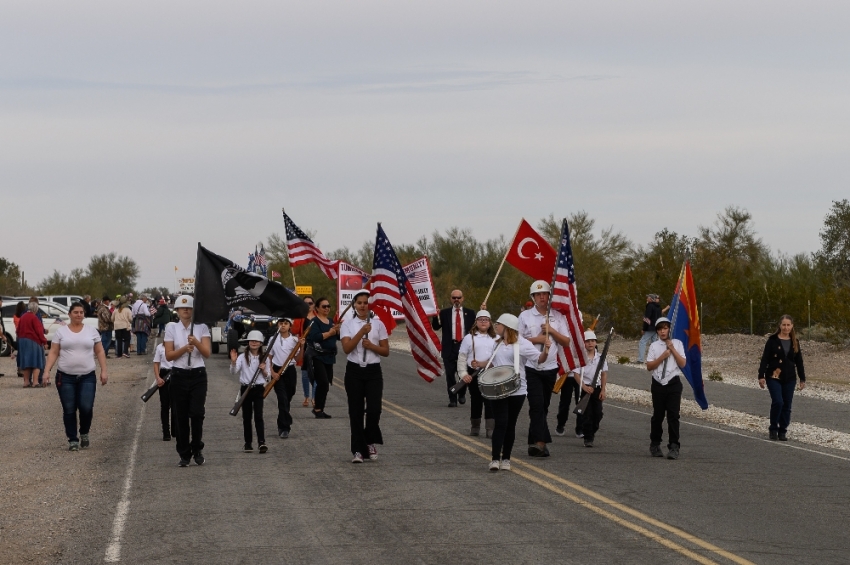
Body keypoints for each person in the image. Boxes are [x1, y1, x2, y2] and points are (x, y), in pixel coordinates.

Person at [487, 313, 550, 472]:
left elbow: (539, 359)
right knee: (500, 423)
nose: (496, 326)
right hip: (498, 388)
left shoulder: (523, 344)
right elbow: (491, 363)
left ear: (507, 327)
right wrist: (479, 365)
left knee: (510, 424)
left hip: (517, 389)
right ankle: (495, 459)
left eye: (498, 324)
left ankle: (506, 459)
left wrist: (546, 351)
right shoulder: (496, 343)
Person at [43, 302, 108, 451]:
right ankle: (73, 439)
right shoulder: (61, 332)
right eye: (76, 312)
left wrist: (104, 370)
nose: (79, 315)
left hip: (87, 376)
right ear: (69, 314)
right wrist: (47, 371)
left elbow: (99, 352)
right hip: (65, 377)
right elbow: (53, 352)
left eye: (81, 312)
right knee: (69, 409)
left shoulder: (92, 331)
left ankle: (84, 432)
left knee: (86, 407)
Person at [518, 280, 572, 457]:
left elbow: (566, 341)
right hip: (531, 367)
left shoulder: (557, 315)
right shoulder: (525, 316)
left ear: (550, 296)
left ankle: (534, 442)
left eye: (545, 294)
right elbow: (515, 340)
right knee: (536, 405)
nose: (542, 297)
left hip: (550, 368)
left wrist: (552, 331)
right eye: (538, 294)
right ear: (533, 297)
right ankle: (541, 443)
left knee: (544, 406)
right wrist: (537, 340)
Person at [340, 289, 390, 463]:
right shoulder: (347, 324)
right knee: (356, 411)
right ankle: (358, 450)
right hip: (354, 370)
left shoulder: (378, 324)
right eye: (359, 303)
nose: (362, 306)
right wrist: (361, 332)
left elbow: (385, 351)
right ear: (354, 305)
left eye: (365, 303)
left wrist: (372, 346)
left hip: (373, 371)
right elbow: (346, 348)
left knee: (374, 409)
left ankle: (369, 441)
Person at [164, 295, 212, 467]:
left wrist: (196, 343)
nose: (186, 310)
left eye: (189, 308)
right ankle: (184, 453)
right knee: (180, 415)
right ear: (176, 310)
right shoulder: (171, 329)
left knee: (197, 413)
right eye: (182, 308)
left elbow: (207, 353)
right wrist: (185, 348)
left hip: (198, 373)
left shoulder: (201, 327)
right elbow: (169, 355)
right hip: (179, 374)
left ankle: (197, 448)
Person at [758, 315, 806, 441]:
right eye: (784, 325)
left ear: (792, 326)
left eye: (788, 325)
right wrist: (761, 376)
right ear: (780, 325)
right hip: (773, 376)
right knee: (778, 402)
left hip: (789, 377)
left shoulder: (795, 342)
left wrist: (802, 378)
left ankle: (783, 430)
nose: (786, 327)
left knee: (787, 405)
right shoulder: (772, 340)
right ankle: (773, 428)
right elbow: (765, 359)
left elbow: (799, 362)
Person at [646, 316, 687, 460]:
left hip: (673, 382)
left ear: (669, 329)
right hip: (658, 383)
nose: (663, 332)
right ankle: (655, 444)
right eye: (660, 329)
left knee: (673, 416)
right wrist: (663, 356)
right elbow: (649, 366)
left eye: (665, 328)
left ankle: (674, 446)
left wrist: (672, 349)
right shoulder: (654, 346)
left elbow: (682, 363)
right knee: (658, 415)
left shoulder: (678, 343)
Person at [431, 289, 476, 407]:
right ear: (451, 299)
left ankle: (461, 393)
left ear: (462, 298)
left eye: (459, 297)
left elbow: (477, 327)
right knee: (450, 375)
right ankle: (452, 399)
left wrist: (483, 311)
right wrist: (435, 316)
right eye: (454, 297)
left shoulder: (470, 313)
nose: (456, 300)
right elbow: (436, 327)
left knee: (464, 373)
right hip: (450, 347)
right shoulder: (444, 313)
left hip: (464, 347)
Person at [456, 310, 497, 437]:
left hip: (491, 373)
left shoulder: (497, 338)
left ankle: (490, 428)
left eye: (486, 319)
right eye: (481, 320)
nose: (483, 322)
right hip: (473, 373)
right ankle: (475, 426)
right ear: (476, 322)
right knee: (476, 400)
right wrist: (463, 374)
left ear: (490, 323)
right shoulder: (469, 338)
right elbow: (462, 357)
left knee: (490, 400)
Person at [230, 330, 270, 453]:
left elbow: (268, 377)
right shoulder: (242, 357)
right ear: (248, 342)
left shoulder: (265, 358)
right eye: (251, 340)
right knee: (246, 417)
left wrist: (263, 370)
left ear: (261, 343)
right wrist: (233, 361)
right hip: (245, 388)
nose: (254, 343)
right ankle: (248, 443)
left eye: (256, 341)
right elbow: (233, 372)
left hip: (258, 388)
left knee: (258, 416)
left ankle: (261, 442)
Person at [267, 318, 305, 439]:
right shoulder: (273, 340)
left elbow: (298, 358)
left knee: (288, 397)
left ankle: (282, 420)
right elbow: (268, 357)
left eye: (285, 323)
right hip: (278, 370)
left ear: (290, 326)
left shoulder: (294, 340)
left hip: (290, 370)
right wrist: (272, 372)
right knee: (282, 398)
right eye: (281, 323)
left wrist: (302, 346)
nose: (283, 326)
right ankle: (284, 427)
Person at [306, 297, 340, 419]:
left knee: (325, 384)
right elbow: (315, 337)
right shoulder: (314, 322)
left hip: (329, 356)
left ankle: (320, 408)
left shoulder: (331, 321)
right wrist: (330, 333)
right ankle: (317, 408)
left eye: (328, 306)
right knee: (323, 382)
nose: (327, 308)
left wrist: (338, 331)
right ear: (317, 308)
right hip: (317, 355)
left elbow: (338, 337)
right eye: (324, 306)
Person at [574, 331, 608, 447]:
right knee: (587, 414)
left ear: (596, 343)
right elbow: (576, 374)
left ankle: (591, 432)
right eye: (587, 341)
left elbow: (603, 374)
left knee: (598, 413)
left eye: (592, 341)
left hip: (597, 388)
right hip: (585, 388)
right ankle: (588, 438)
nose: (590, 343)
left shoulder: (601, 358)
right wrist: (584, 387)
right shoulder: (580, 358)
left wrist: (603, 390)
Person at [17, 300, 47, 387]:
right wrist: (44, 341)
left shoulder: (23, 317)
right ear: (36, 309)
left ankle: (26, 382)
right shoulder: (34, 318)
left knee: (26, 362)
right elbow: (39, 331)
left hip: (22, 341)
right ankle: (35, 382)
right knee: (36, 362)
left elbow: (18, 330)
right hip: (33, 341)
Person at [152, 339, 176, 441]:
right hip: (164, 375)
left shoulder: (179, 346)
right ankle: (166, 431)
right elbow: (156, 364)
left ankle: (175, 429)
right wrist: (158, 378)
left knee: (176, 404)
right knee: (165, 405)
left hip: (176, 375)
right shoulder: (160, 347)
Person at [295, 296, 317, 407]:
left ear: (314, 305)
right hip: (305, 347)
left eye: (310, 303)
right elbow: (294, 330)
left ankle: (314, 398)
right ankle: (306, 396)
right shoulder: (300, 317)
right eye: (305, 303)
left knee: (316, 373)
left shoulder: (318, 317)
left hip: (317, 348)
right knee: (305, 374)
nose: (308, 305)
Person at [554, 369, 582, 438]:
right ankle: (560, 425)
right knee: (565, 403)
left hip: (581, 376)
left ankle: (580, 428)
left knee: (581, 404)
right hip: (567, 376)